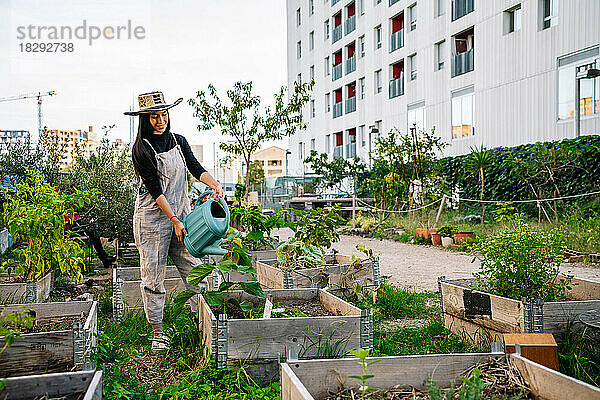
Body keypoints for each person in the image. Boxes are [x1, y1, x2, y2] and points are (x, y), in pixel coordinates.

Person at [125, 91, 223, 351]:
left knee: (196, 269)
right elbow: (155, 191)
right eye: (154, 116)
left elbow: (195, 167)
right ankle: (157, 332)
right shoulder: (141, 149)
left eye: (164, 114)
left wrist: (214, 184)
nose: (160, 120)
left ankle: (201, 322)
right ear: (145, 119)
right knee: (153, 277)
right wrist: (173, 220)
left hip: (181, 217)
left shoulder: (179, 142)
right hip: (152, 221)